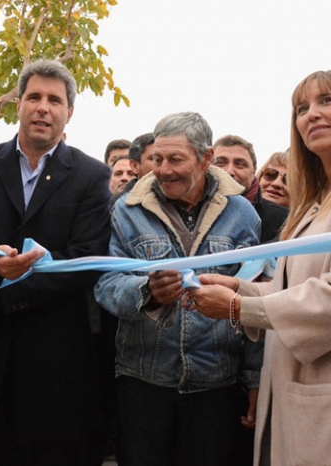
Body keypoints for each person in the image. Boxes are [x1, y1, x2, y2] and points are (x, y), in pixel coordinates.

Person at [187, 70, 331, 465]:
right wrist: (239, 289)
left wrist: (236, 308)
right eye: (302, 108)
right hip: (316, 408)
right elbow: (297, 288)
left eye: (327, 101)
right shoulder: (317, 202)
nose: (312, 114)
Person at [0, 59, 111, 465]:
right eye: (34, 97)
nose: (43, 107)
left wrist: (1, 292)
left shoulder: (91, 175)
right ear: (18, 105)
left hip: (57, 358)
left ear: (68, 112)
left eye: (54, 100)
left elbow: (87, 259)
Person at [94, 111, 262, 466]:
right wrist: (147, 290)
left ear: (205, 159)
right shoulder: (127, 210)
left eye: (175, 159)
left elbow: (254, 297)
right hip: (143, 384)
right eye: (157, 158)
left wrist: (254, 379)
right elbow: (106, 285)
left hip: (216, 386)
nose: (164, 169)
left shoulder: (243, 214)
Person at [212, 135, 288, 242]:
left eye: (240, 164)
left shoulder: (283, 221)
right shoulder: (185, 209)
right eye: (220, 162)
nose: (229, 171)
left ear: (254, 171)